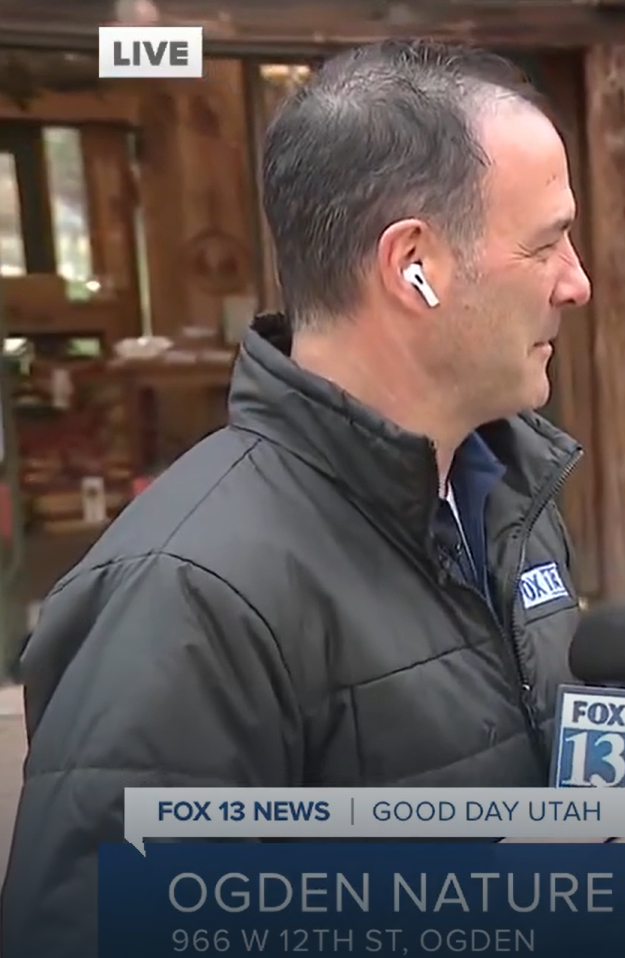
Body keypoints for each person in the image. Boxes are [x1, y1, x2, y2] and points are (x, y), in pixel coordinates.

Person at [1, 39, 592, 953]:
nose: (576, 282)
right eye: (546, 243)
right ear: (414, 267)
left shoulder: (510, 501)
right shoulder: (189, 596)